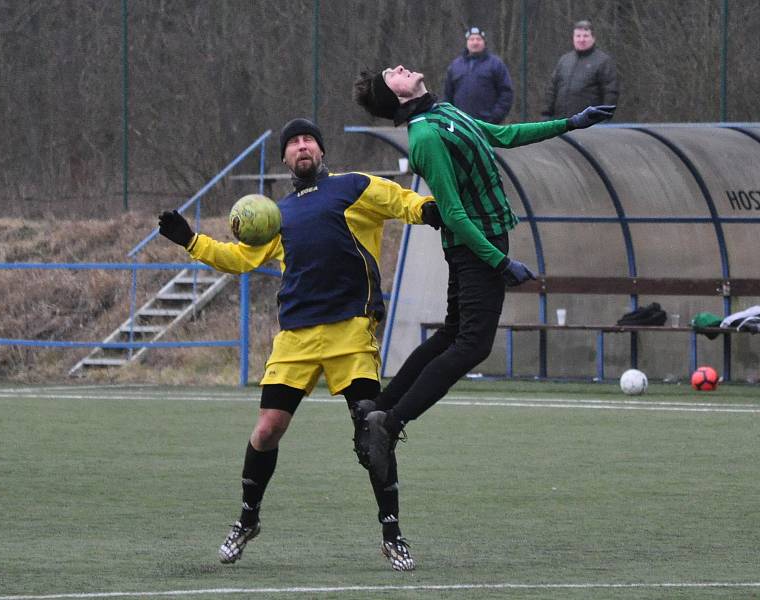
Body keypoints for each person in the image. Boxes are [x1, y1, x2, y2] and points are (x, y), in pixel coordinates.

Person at [158, 118, 443, 571]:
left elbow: (402, 201)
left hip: (350, 330)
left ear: (321, 151)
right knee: (268, 429)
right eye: (293, 142)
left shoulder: (354, 187)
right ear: (286, 159)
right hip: (296, 337)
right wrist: (190, 240)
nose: (302, 146)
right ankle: (247, 520)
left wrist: (430, 211)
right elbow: (239, 259)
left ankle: (393, 533)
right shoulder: (277, 215)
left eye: (309, 139)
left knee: (373, 429)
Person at [352, 65, 614, 482]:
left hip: (483, 244)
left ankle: (379, 405)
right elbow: (453, 213)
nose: (401, 68)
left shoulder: (445, 112)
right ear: (396, 96)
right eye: (393, 73)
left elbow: (504, 136)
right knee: (473, 345)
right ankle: (391, 421)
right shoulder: (425, 136)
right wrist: (499, 261)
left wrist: (571, 123)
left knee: (454, 334)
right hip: (475, 247)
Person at [542, 20, 619, 119]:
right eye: (578, 36)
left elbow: (610, 92)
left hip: (589, 125)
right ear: (573, 38)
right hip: (562, 123)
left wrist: (604, 118)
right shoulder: (564, 60)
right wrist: (546, 114)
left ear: (593, 38)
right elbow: (552, 89)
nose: (581, 39)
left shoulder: (604, 61)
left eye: (585, 36)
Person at [444, 26, 513, 124]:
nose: (475, 42)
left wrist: (495, 117)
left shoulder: (496, 64)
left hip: (488, 125)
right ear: (467, 42)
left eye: (478, 39)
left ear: (484, 42)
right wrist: (451, 117)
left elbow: (506, 93)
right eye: (471, 39)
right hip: (460, 124)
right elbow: (448, 95)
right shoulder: (455, 66)